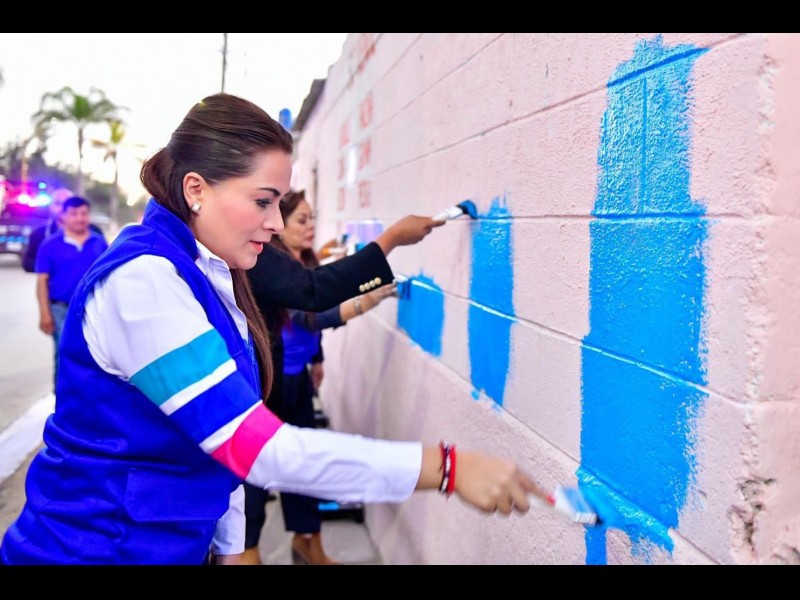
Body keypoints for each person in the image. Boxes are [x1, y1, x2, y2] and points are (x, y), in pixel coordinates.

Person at [0, 92, 545, 566]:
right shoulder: (143, 284)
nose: (276, 223)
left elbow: (221, 444)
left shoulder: (209, 271)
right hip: (93, 550)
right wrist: (445, 468)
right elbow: (258, 449)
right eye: (263, 201)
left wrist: (231, 547)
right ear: (196, 189)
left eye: (280, 204)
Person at [266, 190, 399, 565]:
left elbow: (310, 326)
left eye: (312, 218)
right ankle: (255, 549)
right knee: (278, 464)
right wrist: (367, 299)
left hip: (298, 375)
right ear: (280, 225)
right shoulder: (274, 268)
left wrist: (318, 358)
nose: (310, 227)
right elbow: (312, 316)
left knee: (302, 465)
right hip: (276, 382)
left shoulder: (303, 261)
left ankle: (307, 542)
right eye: (301, 220)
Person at [34, 195, 109, 389]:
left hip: (91, 308)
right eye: (74, 214)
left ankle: (86, 398)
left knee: (93, 355)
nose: (79, 218)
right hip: (61, 309)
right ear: (63, 216)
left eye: (84, 213)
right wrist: (45, 313)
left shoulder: (99, 242)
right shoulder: (50, 244)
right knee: (64, 353)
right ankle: (61, 399)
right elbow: (42, 281)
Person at [22, 187, 105, 273]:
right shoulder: (39, 233)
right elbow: (27, 263)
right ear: (50, 206)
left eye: (67, 203)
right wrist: (52, 266)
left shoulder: (95, 233)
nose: (62, 207)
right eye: (58, 203)